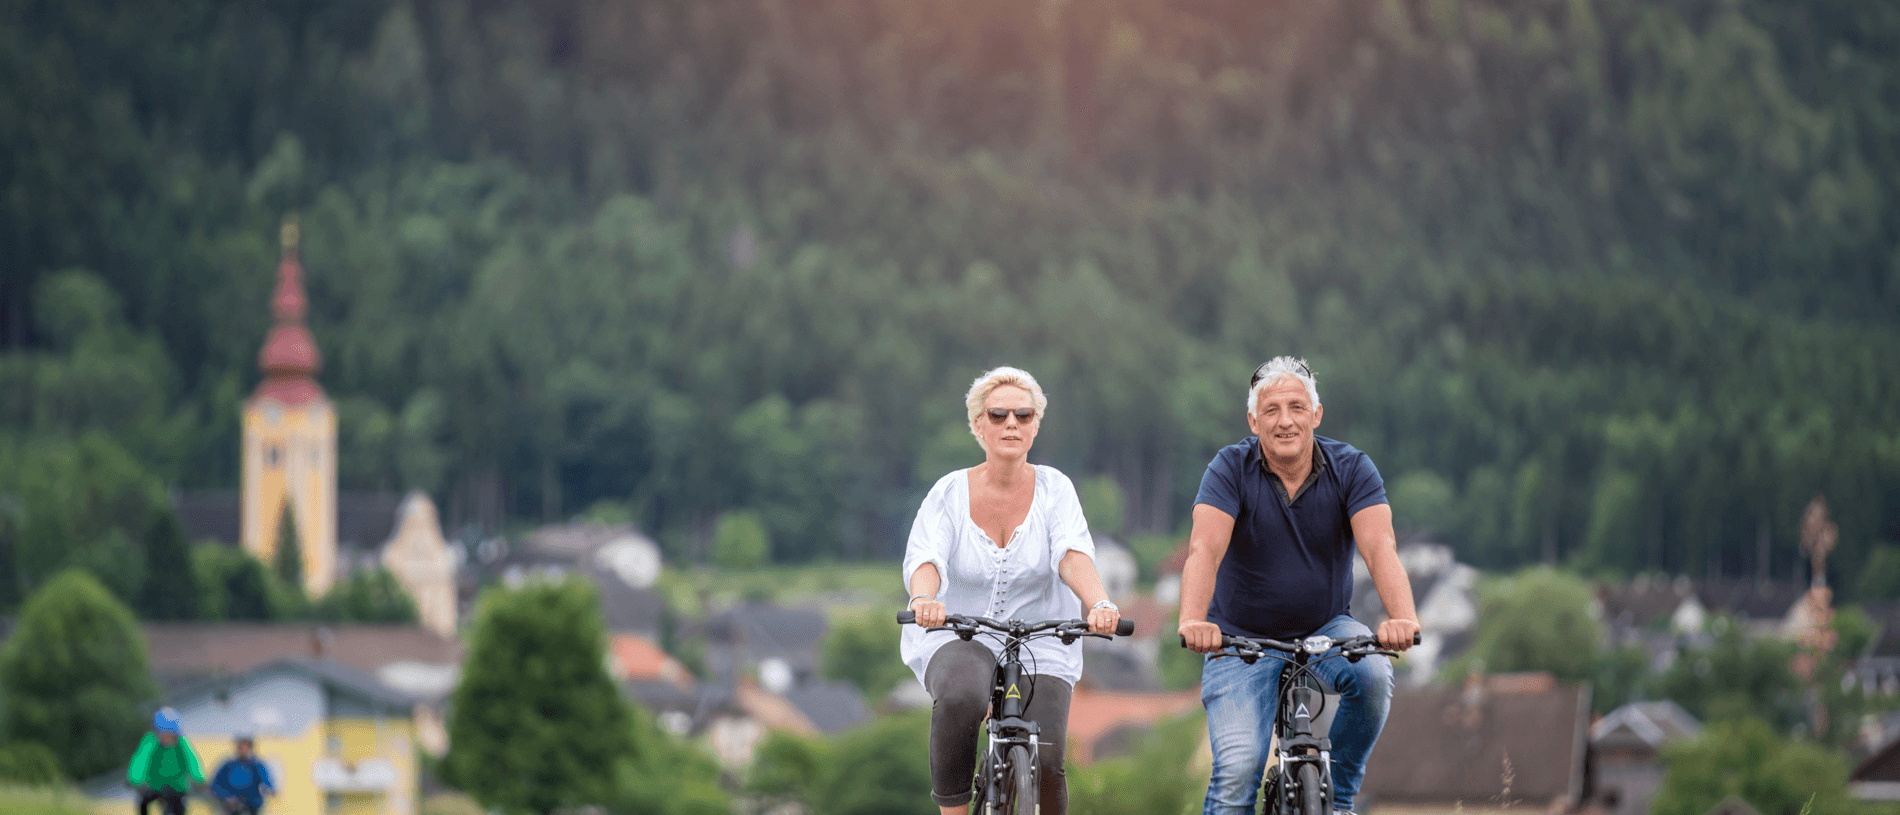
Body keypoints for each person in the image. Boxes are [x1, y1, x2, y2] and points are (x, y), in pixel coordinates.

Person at [1177, 356, 1421, 815]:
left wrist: (1403, 616)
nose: (1285, 420)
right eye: (1271, 410)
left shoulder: (1351, 468)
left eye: (1296, 406)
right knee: (1236, 774)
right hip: (1239, 641)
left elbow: (1380, 547)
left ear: (1316, 413)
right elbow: (1203, 550)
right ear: (1254, 420)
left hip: (1326, 629)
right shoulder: (1230, 468)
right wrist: (1193, 619)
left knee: (1372, 675)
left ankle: (1340, 793)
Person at [901, 366, 1123, 815]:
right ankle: (955, 811)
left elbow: (1072, 553)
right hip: (961, 631)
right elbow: (926, 558)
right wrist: (925, 600)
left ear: (1036, 424)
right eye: (998, 415)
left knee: (1049, 761)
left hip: (1043, 635)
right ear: (978, 424)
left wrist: (1098, 601)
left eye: (1023, 415)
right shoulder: (948, 492)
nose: (1011, 425)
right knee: (962, 697)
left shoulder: (1056, 489)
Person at [127, 707, 205, 815]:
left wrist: (199, 779)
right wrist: (135, 779)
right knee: (143, 804)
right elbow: (141, 759)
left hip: (177, 786)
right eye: (164, 735)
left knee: (179, 808)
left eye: (171, 735)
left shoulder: (182, 743)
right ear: (157, 732)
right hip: (154, 786)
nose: (167, 739)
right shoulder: (150, 741)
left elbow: (192, 761)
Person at [210, 734, 276, 814]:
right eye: (240, 746)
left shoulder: (257, 765)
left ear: (250, 747)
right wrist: (227, 798)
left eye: (245, 746)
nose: (242, 749)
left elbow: (267, 783)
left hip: (252, 805)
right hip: (230, 805)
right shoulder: (228, 765)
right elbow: (215, 785)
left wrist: (269, 790)